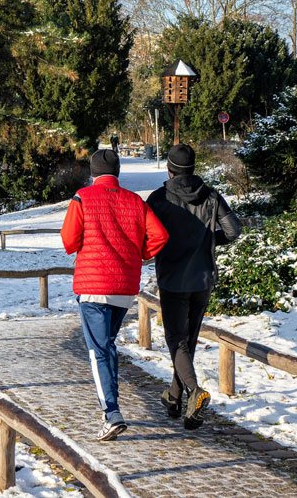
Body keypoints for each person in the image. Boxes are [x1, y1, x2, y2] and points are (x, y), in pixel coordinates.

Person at [61, 149, 168, 440]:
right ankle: (113, 407)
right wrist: (138, 255)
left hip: (93, 286)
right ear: (118, 172)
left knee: (97, 350)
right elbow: (159, 235)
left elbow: (69, 241)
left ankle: (111, 412)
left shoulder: (82, 197)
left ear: (92, 172)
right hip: (124, 287)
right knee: (108, 345)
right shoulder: (135, 201)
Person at [146, 144, 241, 430]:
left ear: (169, 168)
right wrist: (208, 241)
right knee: (187, 340)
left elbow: (145, 237)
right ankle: (175, 399)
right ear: (193, 167)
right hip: (202, 278)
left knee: (176, 340)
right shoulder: (211, 196)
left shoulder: (158, 198)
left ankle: (194, 391)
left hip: (173, 278)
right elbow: (233, 231)